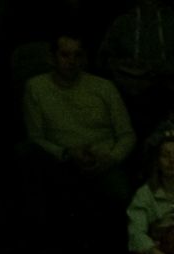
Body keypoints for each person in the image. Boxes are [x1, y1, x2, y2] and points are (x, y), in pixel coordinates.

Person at [22, 33, 137, 205]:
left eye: (77, 55)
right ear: (52, 58)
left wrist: (112, 158)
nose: (72, 61)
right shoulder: (36, 87)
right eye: (65, 55)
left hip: (103, 159)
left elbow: (127, 134)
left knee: (119, 193)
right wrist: (66, 153)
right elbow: (35, 138)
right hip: (60, 160)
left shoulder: (104, 87)